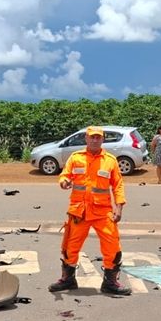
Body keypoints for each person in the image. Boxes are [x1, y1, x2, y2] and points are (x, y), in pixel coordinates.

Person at [49, 126, 131, 296]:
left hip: (103, 212)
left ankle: (110, 282)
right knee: (70, 247)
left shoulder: (110, 160)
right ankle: (68, 279)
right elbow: (65, 175)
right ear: (86, 139)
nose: (95, 140)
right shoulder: (76, 157)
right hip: (79, 211)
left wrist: (119, 207)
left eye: (98, 137)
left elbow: (118, 184)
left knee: (112, 247)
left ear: (102, 140)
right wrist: (64, 182)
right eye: (92, 137)